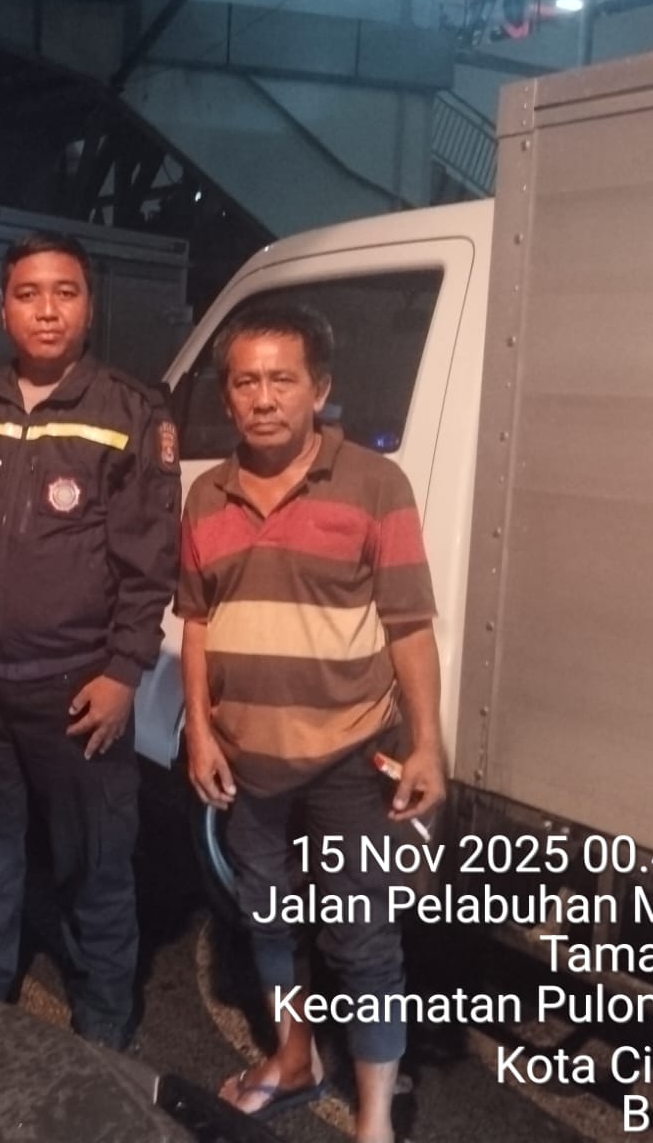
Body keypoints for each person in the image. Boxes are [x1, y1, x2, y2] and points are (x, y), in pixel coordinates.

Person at [0, 232, 180, 1051]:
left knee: (94, 856)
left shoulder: (128, 413)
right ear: (3, 309)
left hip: (78, 683)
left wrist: (125, 671)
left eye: (65, 292)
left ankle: (103, 1012)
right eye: (28, 294)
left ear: (89, 307)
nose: (47, 309)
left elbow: (151, 563)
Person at [175, 305, 444, 1143]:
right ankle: (295, 1058)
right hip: (247, 763)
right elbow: (197, 621)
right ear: (228, 396)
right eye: (245, 382)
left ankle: (375, 1121)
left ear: (318, 390)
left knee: (363, 938)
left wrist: (427, 744)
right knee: (266, 919)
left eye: (282, 380)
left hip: (351, 760)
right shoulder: (206, 495)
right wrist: (200, 732)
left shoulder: (374, 485)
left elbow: (408, 625)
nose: (263, 398)